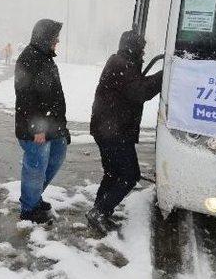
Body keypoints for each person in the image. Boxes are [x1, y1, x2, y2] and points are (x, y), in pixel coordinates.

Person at [86, 30, 163, 235]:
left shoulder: (122, 63)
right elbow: (141, 91)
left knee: (113, 173)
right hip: (113, 131)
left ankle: (99, 210)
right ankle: (100, 211)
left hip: (110, 129)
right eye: (142, 49)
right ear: (134, 48)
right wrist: (165, 74)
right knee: (130, 175)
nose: (144, 53)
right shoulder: (121, 65)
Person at [15, 19, 71, 224]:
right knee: (35, 167)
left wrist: (61, 128)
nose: (57, 40)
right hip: (37, 129)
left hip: (53, 126)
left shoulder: (45, 58)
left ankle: (34, 197)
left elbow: (54, 96)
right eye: (55, 36)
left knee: (57, 157)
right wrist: (37, 128)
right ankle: (29, 209)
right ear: (44, 37)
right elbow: (26, 98)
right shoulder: (29, 58)